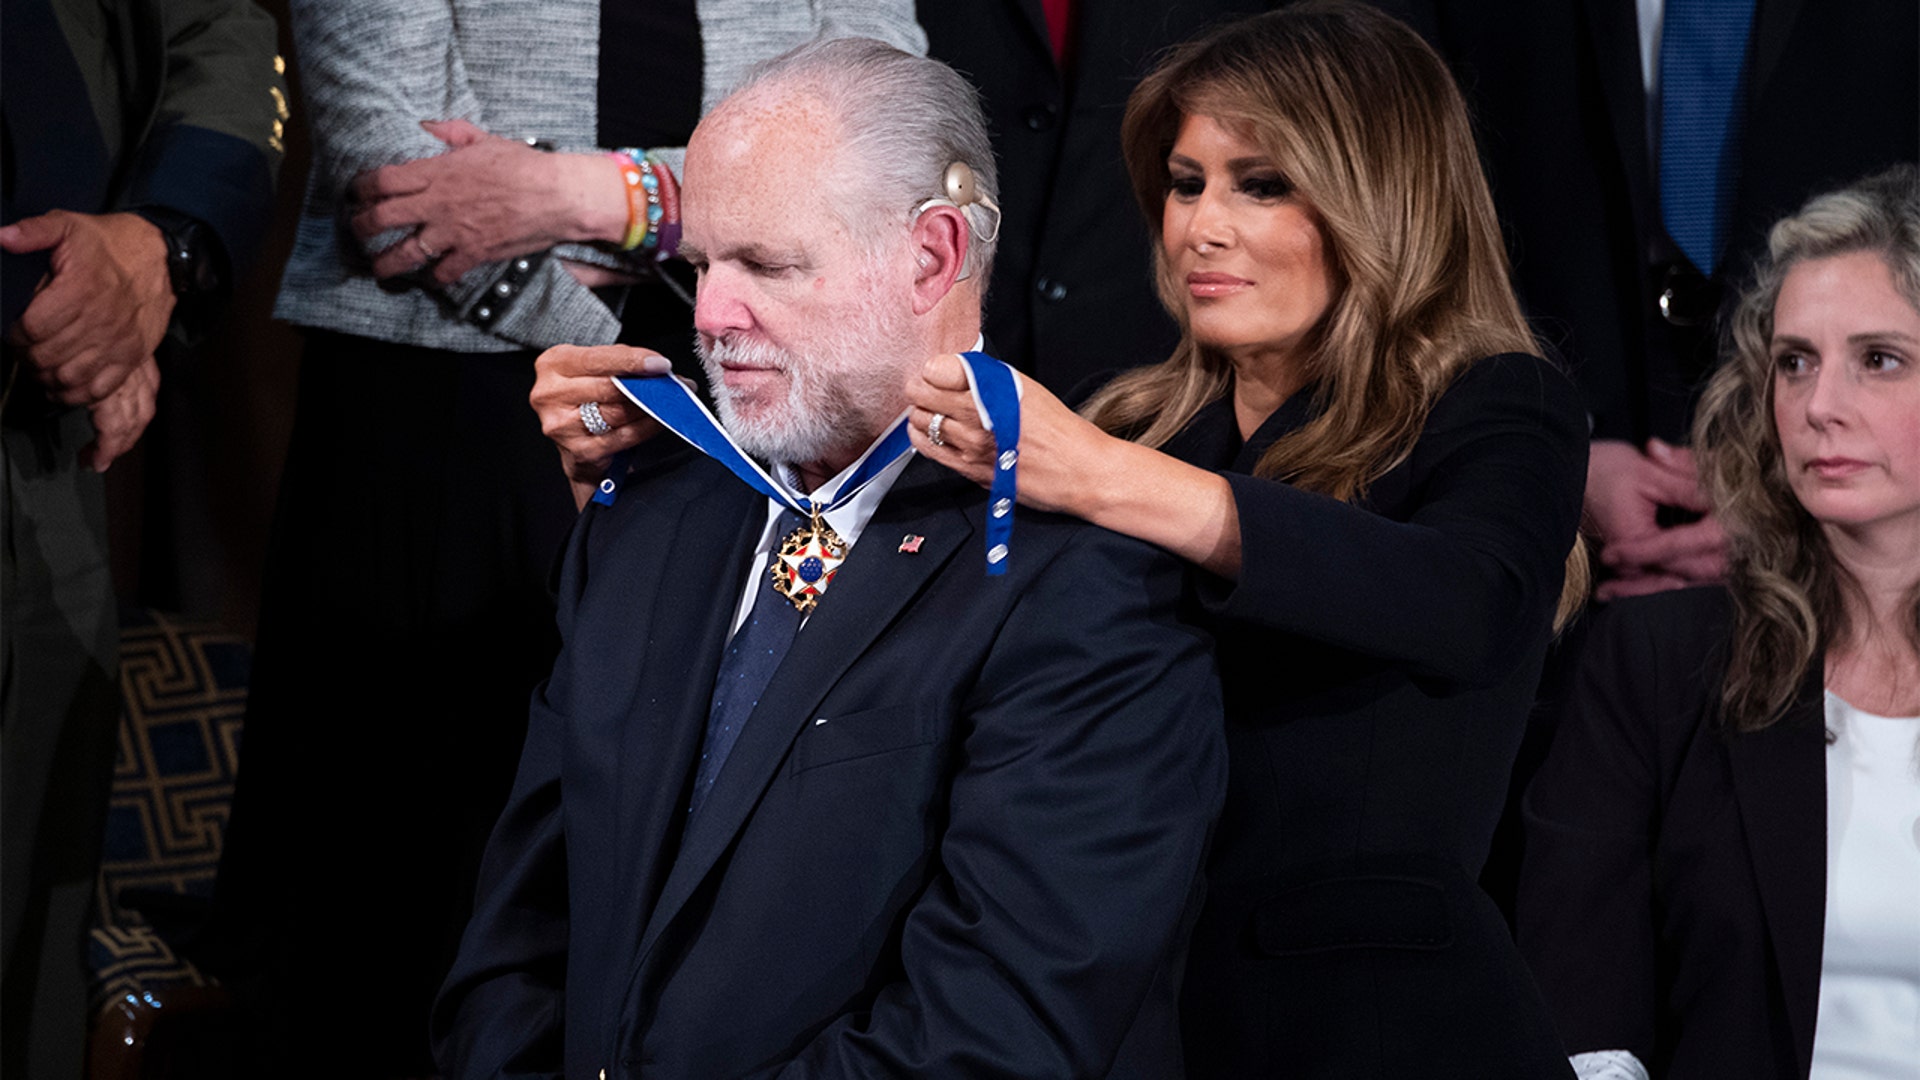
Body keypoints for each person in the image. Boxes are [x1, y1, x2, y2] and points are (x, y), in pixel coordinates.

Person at [432, 38, 1226, 1079]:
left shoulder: (1092, 586)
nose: (711, 315)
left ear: (932, 257)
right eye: (702, 264)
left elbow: (993, 1041)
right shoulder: (645, 524)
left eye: (767, 264)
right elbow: (518, 945)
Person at [205, 2, 922, 1073]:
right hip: (436, 430)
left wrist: (586, 197)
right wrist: (639, 344)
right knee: (387, 892)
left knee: (649, 852)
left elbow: (879, 152)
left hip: (740, 427)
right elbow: (393, 182)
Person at [902, 4, 1588, 1076]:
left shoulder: (1499, 404)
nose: (1200, 228)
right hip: (1119, 1019)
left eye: (1259, 184)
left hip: (1380, 1034)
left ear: (1381, 193)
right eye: (1185, 183)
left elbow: (1468, 601)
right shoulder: (1136, 421)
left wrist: (1104, 476)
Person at [1517, 166, 1920, 1080]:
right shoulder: (1656, 665)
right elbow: (1584, 1025)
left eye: (1878, 359)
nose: (1819, 407)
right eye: (1794, 362)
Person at [1394, 0, 1918, 599]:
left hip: (1864, 540)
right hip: (1536, 496)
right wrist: (1551, 448)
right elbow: (1398, 173)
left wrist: (1803, 480)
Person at [0, 0, 284, 1071]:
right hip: (51, 351)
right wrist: (55, 303)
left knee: (28, 981)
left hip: (42, 462)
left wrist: (151, 254)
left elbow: (219, 23)